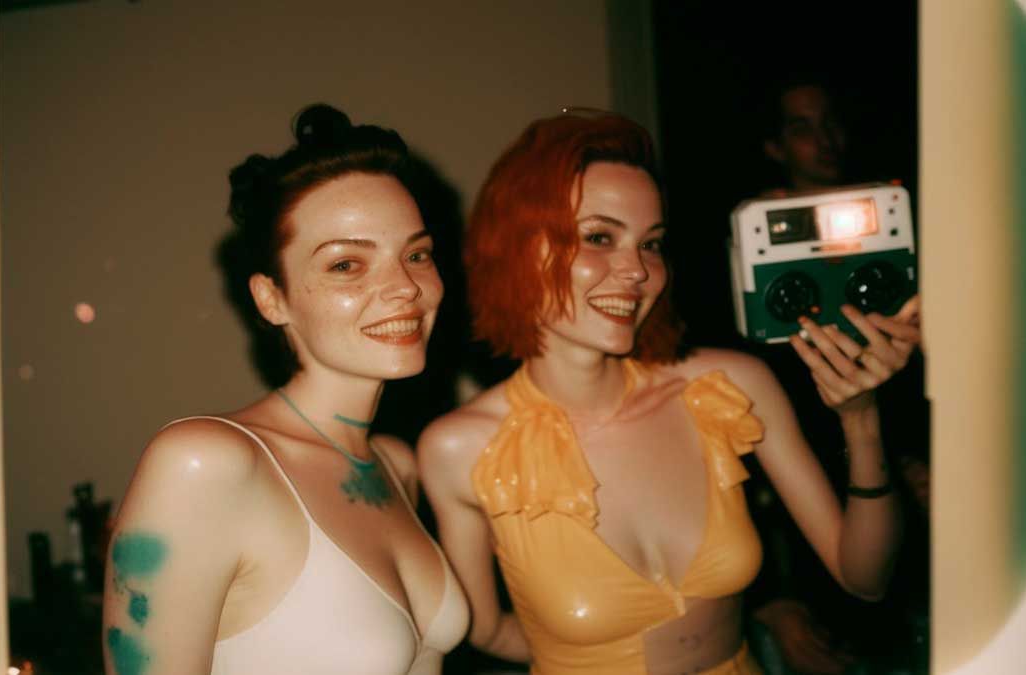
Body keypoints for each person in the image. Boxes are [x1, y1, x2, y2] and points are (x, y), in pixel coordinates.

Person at [418, 111, 920, 675]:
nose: (637, 270)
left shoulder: (727, 388)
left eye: (651, 244)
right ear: (519, 249)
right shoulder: (460, 449)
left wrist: (861, 419)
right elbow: (482, 628)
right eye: (599, 237)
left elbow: (866, 579)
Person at [102, 104, 468, 675]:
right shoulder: (207, 463)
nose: (404, 287)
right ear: (272, 299)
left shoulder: (395, 466)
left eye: (416, 254)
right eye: (347, 265)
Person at [746, 77, 930, 674]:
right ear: (774, 145)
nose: (823, 140)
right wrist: (769, 602)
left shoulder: (903, 238)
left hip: (916, 528)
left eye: (831, 122)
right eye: (802, 127)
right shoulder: (753, 263)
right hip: (810, 546)